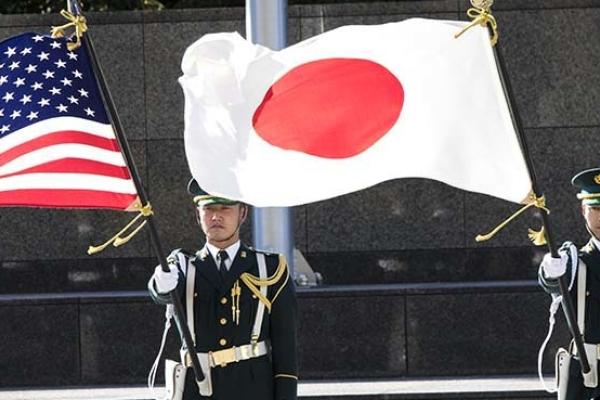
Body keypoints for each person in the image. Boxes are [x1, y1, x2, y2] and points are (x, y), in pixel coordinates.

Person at [148, 178, 298, 400]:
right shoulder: (182, 264)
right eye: (208, 209)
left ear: (243, 213)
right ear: (197, 215)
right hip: (199, 389)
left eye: (225, 208)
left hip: (253, 389)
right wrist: (160, 284)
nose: (216, 216)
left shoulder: (269, 268)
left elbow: (286, 347)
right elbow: (162, 291)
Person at [539, 168, 600, 399]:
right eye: (595, 208)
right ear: (583, 210)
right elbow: (552, 281)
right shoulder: (575, 259)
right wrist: (549, 270)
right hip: (590, 375)